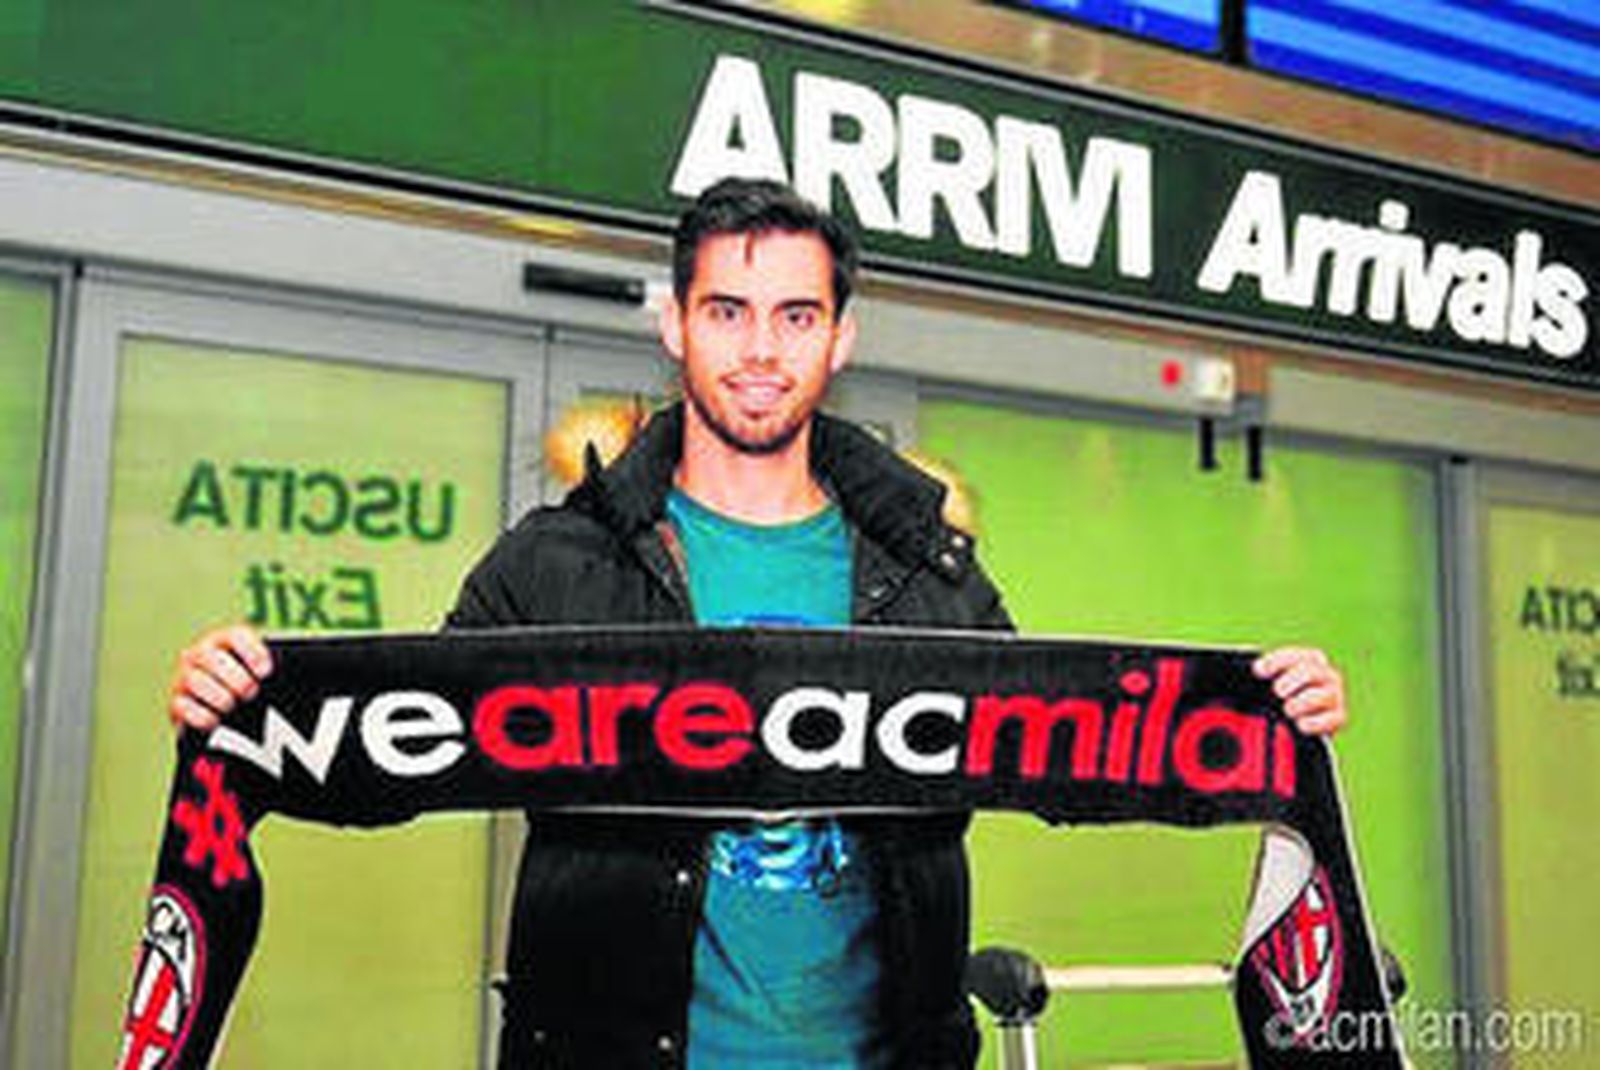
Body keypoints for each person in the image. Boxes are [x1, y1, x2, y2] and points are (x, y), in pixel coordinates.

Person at [168, 177, 1349, 1069]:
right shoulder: (556, 560)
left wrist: (1261, 713)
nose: (761, 350)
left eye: (795, 315)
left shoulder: (924, 568)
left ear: (840, 337)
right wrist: (250, 700)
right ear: (673, 325)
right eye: (727, 310)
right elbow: (402, 752)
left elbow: (1063, 747)